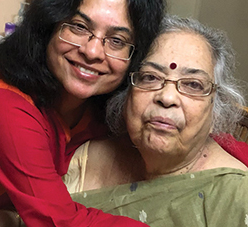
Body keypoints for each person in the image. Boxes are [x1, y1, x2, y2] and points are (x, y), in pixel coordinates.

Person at [0, 0, 166, 226]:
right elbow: (60, 221)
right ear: (50, 25)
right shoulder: (0, 100)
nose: (92, 51)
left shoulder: (101, 106)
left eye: (116, 41)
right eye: (78, 26)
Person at [65, 14, 248, 226]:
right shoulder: (83, 158)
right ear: (126, 97)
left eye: (193, 85)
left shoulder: (234, 196)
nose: (167, 97)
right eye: (150, 77)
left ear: (216, 111)